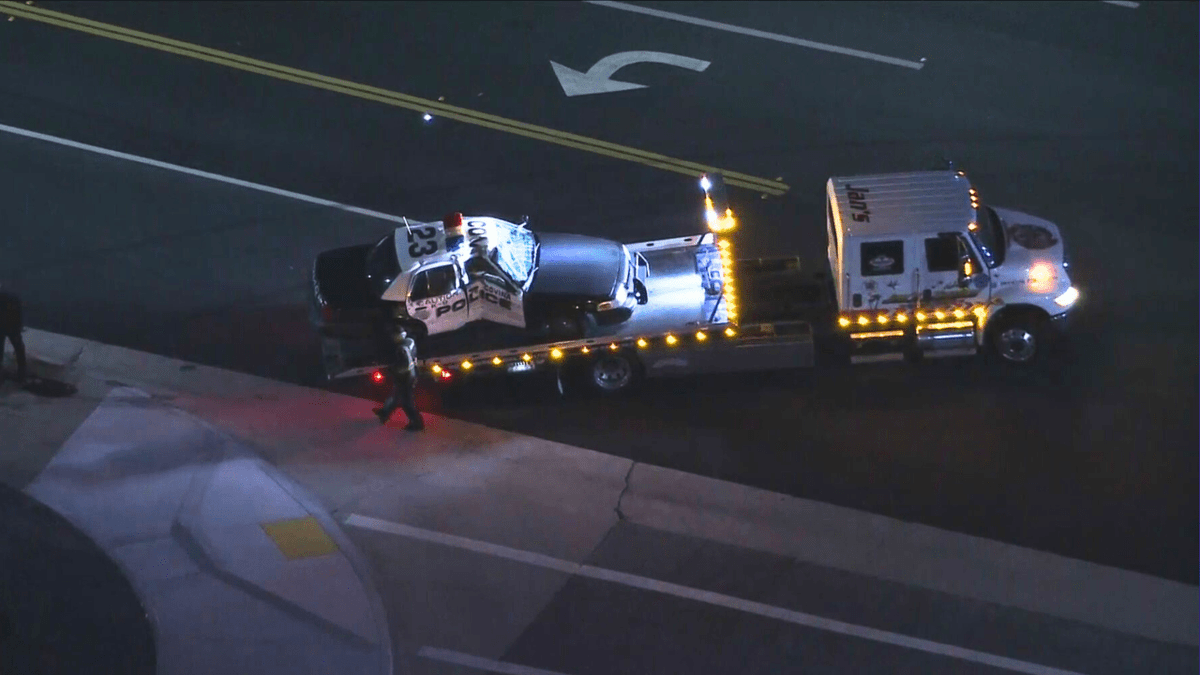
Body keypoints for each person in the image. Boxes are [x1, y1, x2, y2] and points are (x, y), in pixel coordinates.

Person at [373, 325, 424, 431]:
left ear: (399, 335)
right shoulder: (410, 341)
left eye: (394, 336)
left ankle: (417, 423)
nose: (392, 338)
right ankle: (385, 412)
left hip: (405, 377)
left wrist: (392, 370)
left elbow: (406, 365)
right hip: (411, 374)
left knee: (406, 402)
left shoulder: (401, 348)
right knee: (395, 395)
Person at [0, 284, 26, 384]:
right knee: (18, 347)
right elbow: (18, 312)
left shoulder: (10, 299)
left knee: (17, 347)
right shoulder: (12, 298)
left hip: (7, 326)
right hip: (10, 326)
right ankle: (22, 371)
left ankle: (21, 371)